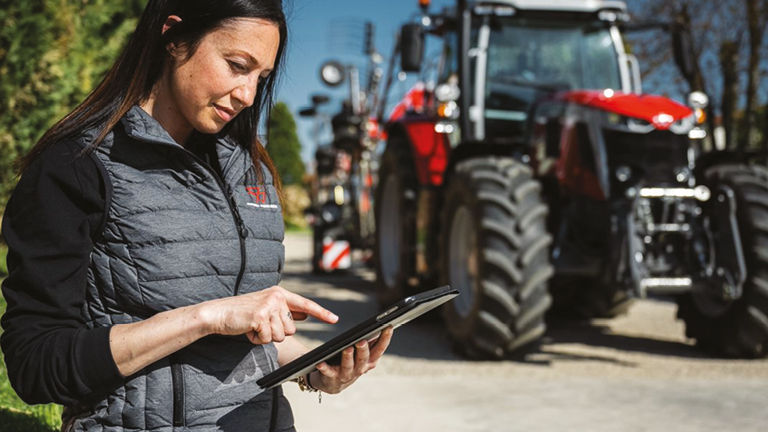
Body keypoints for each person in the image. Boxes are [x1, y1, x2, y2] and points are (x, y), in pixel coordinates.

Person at [0, 1, 393, 431]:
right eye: (236, 65)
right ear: (175, 38)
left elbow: (245, 336)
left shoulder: (248, 169)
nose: (247, 95)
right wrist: (206, 318)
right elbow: (35, 365)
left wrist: (314, 369)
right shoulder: (76, 166)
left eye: (261, 78)